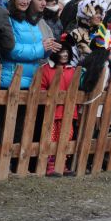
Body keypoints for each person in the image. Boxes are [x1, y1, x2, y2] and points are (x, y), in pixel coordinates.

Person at [0, 0, 58, 89]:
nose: (25, 2)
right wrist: (42, 47)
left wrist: (49, 47)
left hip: (32, 82)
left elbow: (40, 52)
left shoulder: (31, 21)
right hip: (11, 81)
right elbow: (11, 50)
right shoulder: (7, 19)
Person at [39, 43, 78, 177]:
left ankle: (62, 164)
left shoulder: (72, 70)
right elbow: (41, 88)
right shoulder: (46, 69)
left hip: (68, 111)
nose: (64, 54)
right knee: (52, 138)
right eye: (61, 52)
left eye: (66, 52)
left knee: (66, 137)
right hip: (52, 112)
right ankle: (49, 166)